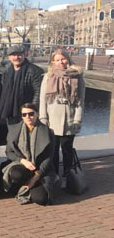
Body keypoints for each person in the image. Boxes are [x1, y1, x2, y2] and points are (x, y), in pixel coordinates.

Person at [39, 49, 85, 186]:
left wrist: (77, 119)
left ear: (68, 59)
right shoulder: (48, 76)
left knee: (67, 149)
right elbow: (43, 99)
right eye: (57, 60)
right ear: (53, 61)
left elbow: (81, 100)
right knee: (52, 150)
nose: (61, 62)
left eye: (63, 59)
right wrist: (43, 117)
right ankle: (54, 176)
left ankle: (67, 176)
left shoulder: (77, 76)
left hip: (69, 118)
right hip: (52, 118)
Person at [2, 103, 57, 206]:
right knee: (16, 174)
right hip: (23, 166)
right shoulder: (14, 130)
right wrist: (22, 161)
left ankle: (31, 187)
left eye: (31, 114)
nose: (28, 117)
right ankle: (22, 185)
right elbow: (9, 152)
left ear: (37, 114)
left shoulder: (48, 132)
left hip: (41, 170)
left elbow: (49, 158)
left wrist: (35, 178)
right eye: (24, 114)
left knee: (42, 199)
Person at [0, 44, 44, 125]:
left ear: (24, 55)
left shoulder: (34, 70)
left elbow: (38, 92)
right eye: (13, 55)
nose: (16, 58)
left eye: (19, 55)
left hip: (27, 111)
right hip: (9, 109)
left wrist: (31, 108)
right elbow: (4, 86)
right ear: (9, 57)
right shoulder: (7, 70)